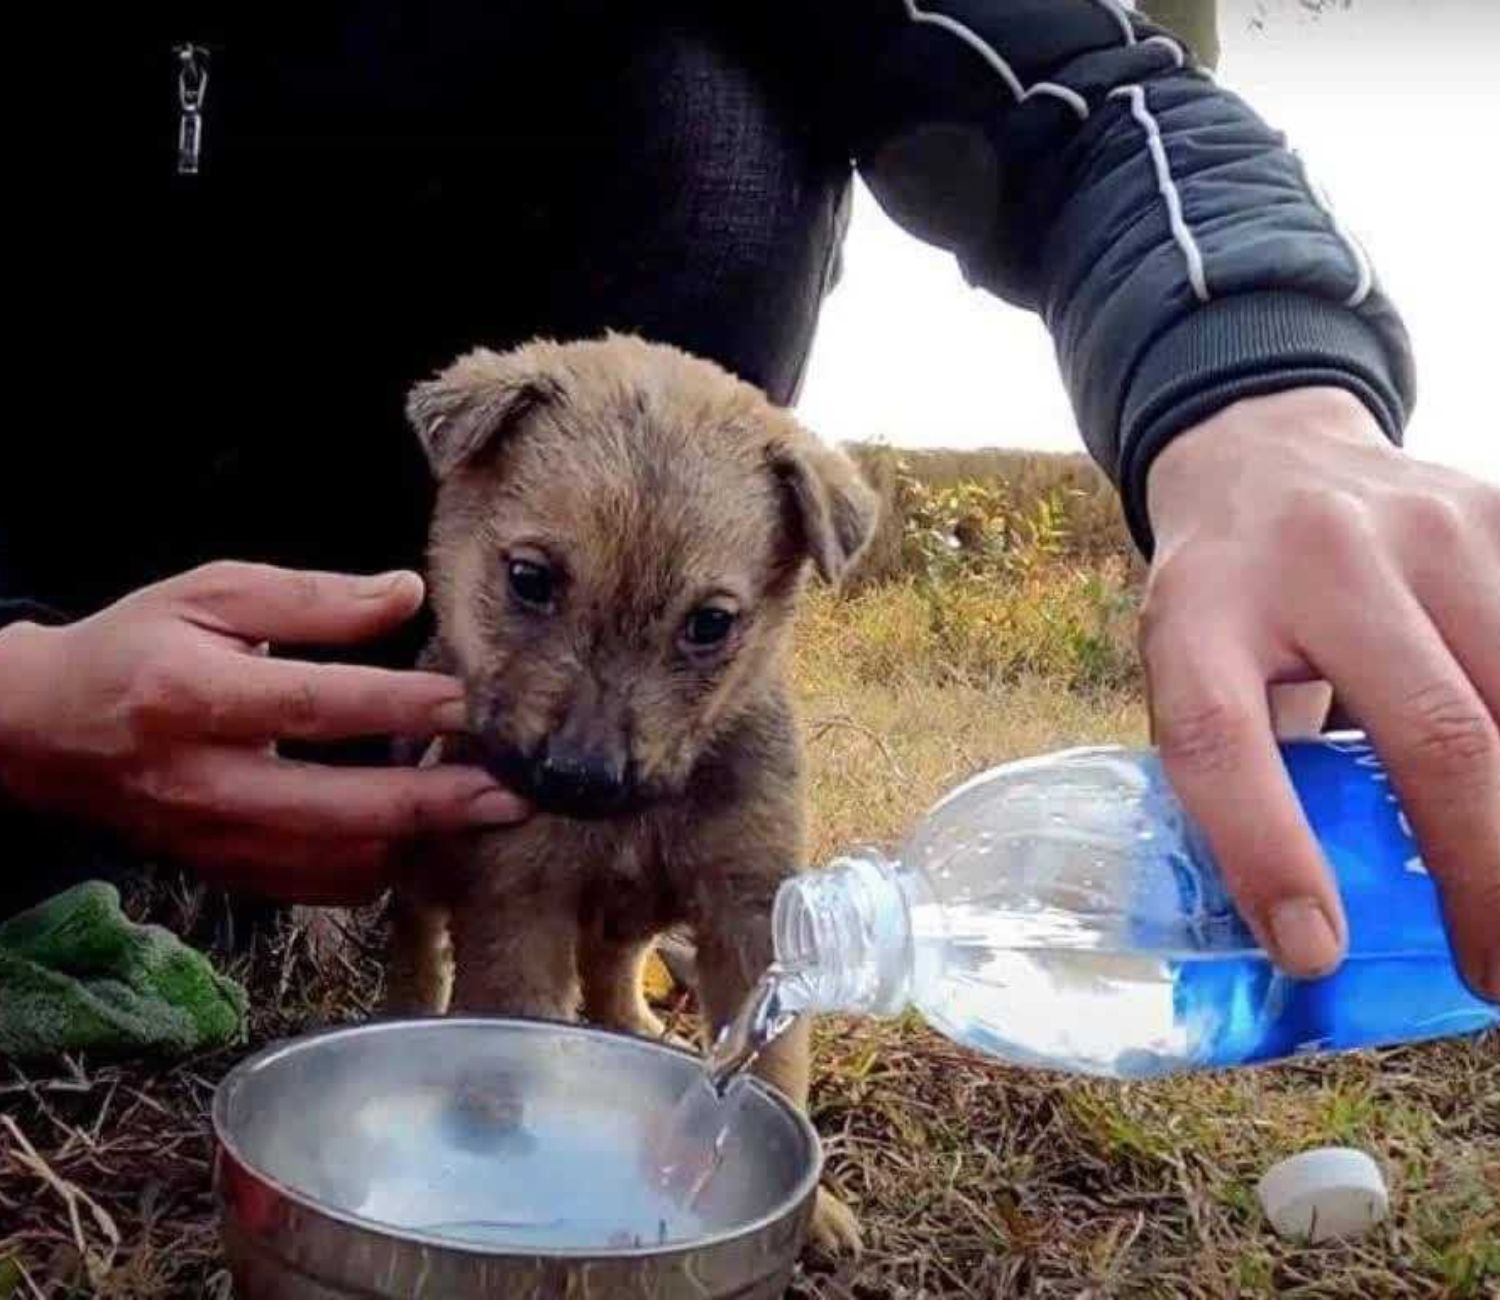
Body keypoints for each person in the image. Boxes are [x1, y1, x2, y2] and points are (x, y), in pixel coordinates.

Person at [1, 4, 1495, 999]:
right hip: (46, 607)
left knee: (724, 71)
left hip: (429, 587)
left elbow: (1090, 99)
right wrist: (25, 691)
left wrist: (1261, 402)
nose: (601, 724)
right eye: (537, 589)